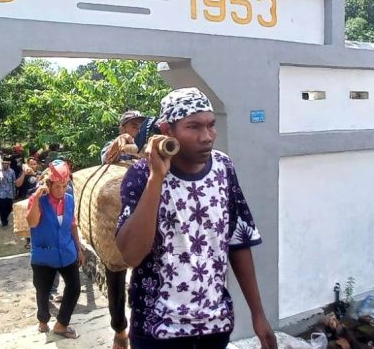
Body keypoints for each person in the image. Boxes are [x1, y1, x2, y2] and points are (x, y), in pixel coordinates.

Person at [115, 88, 277, 349]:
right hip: (157, 332)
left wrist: (258, 314)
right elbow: (132, 254)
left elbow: (238, 241)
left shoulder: (224, 168)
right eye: (194, 127)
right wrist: (157, 178)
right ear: (168, 131)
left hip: (214, 326)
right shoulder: (141, 175)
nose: (207, 137)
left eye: (211, 125)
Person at [98, 110, 146, 349]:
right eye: (132, 125)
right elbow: (106, 159)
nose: (135, 129)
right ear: (122, 127)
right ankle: (119, 329)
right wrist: (120, 145)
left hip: (138, 218)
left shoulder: (141, 154)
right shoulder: (114, 144)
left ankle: (141, 324)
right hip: (112, 221)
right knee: (115, 271)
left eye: (138, 126)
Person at [26, 160, 84, 339]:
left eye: (64, 186)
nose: (61, 190)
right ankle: (43, 319)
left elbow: (72, 224)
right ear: (48, 184)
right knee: (42, 290)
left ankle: (61, 324)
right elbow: (32, 222)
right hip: (44, 254)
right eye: (57, 186)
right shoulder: (38, 200)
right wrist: (36, 198)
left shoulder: (69, 199)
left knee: (74, 288)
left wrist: (78, 247)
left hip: (67, 252)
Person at [0, 157, 16, 227]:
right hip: (1, 192)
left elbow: (14, 182)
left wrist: (14, 192)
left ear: (8, 164)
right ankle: (4, 221)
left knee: (10, 207)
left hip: (10, 192)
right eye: (3, 163)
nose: (4, 165)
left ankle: (5, 218)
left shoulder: (12, 171)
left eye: (6, 164)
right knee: (2, 208)